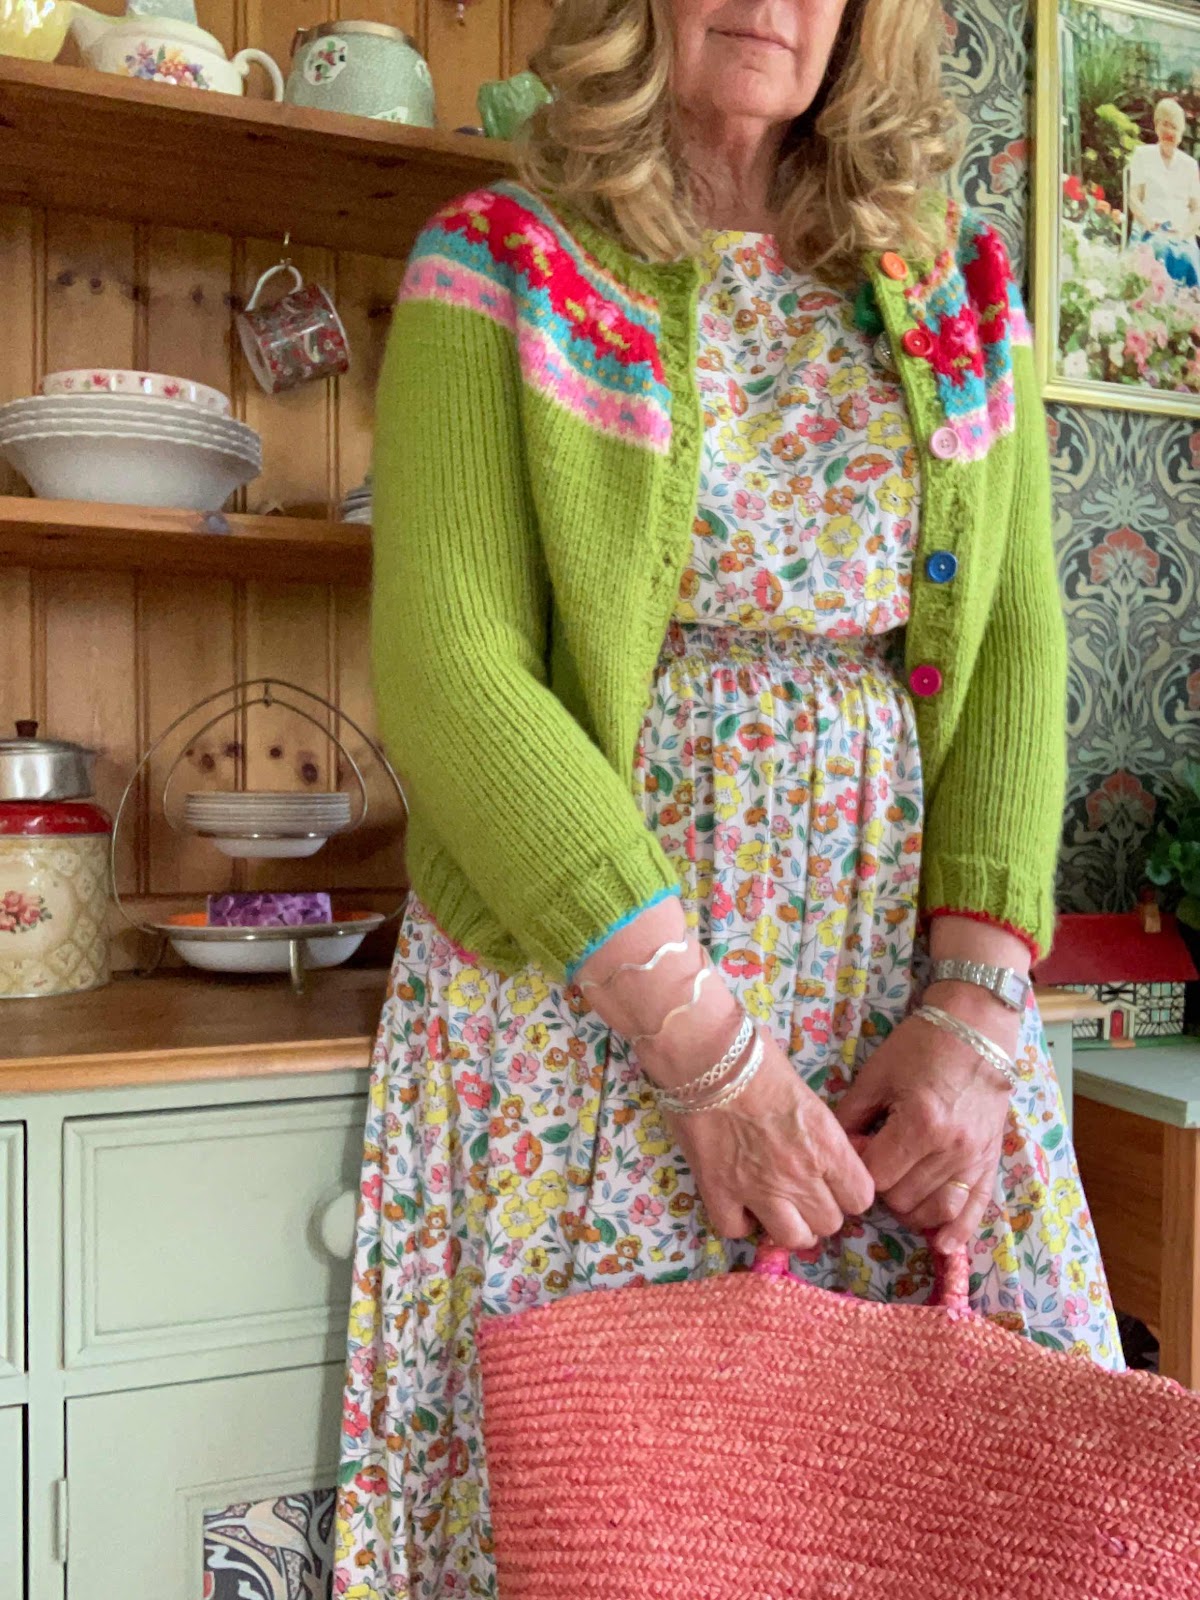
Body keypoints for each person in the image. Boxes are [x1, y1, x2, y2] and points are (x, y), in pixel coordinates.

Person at [336, 1, 1123, 1594]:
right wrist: (707, 1058)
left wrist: (974, 1019)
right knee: (617, 1518)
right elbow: (451, 669)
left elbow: (1019, 649)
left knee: (948, 1522)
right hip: (595, 1012)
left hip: (893, 1016)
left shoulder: (961, 294)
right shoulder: (499, 264)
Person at [1127, 96, 1200, 287]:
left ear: (1181, 133)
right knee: (1159, 250)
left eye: (1174, 127)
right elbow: (1133, 198)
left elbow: (1196, 210)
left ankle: (1186, 303)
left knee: (1187, 257)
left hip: (1181, 235)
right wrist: (1148, 223)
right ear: (1156, 125)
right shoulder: (1143, 155)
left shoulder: (1190, 165)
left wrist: (1184, 232)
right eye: (1164, 124)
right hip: (1151, 229)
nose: (1168, 131)